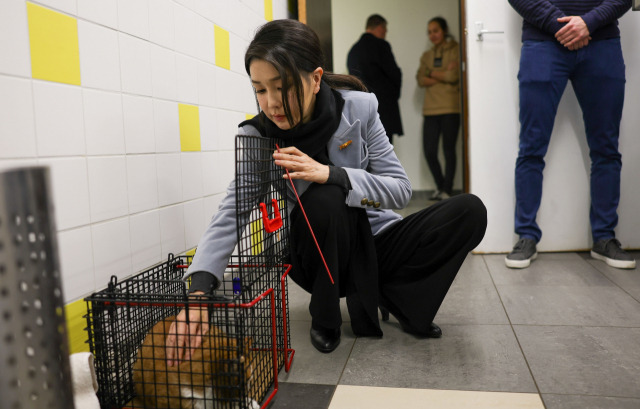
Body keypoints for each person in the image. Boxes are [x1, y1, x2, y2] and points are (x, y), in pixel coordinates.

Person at [165, 19, 486, 361]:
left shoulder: (360, 110)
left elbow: (400, 190)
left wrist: (334, 173)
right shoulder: (258, 137)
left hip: (373, 240)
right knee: (324, 199)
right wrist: (198, 292)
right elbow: (232, 211)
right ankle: (326, 315)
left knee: (469, 211)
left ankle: (397, 298)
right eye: (260, 89)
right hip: (315, 255)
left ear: (315, 78)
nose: (271, 103)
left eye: (282, 86)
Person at [506, 0, 635, 269]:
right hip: (543, 42)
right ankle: (526, 235)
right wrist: (562, 24)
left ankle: (604, 238)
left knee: (606, 149)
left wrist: (589, 22)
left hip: (601, 42)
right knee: (531, 147)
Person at [416, 17, 460, 201]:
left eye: (436, 30)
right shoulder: (427, 55)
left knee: (448, 150)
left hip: (450, 107)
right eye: (429, 32)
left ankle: (447, 190)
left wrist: (431, 73)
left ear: (444, 30)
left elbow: (454, 75)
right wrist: (443, 74)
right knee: (430, 151)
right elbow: (420, 79)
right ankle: (440, 186)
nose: (432, 35)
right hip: (430, 109)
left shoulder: (456, 50)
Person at [347, 14, 403, 144]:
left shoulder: (353, 50)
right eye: (385, 29)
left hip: (361, 110)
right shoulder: (381, 46)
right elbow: (394, 74)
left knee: (364, 152)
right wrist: (394, 96)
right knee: (384, 153)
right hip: (384, 108)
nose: (385, 33)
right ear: (380, 27)